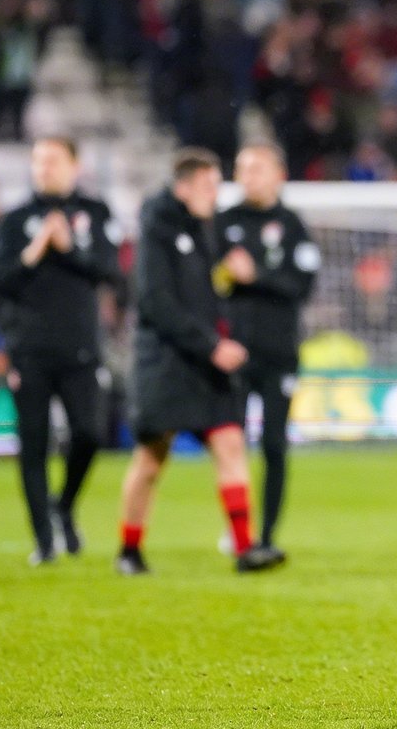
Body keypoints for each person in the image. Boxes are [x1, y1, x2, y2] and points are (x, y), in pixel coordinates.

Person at [116, 148, 283, 576]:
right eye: (209, 185)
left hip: (207, 359)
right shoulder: (156, 227)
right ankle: (129, 551)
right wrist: (211, 345)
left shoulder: (209, 229)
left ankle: (245, 549)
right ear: (184, 186)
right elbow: (155, 303)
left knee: (229, 443)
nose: (216, 193)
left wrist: (233, 277)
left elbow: (206, 290)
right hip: (166, 359)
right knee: (152, 458)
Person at [0, 137, 122, 565]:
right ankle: (44, 540)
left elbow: (112, 271)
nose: (44, 168)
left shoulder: (96, 214)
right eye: (38, 161)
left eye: (53, 160)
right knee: (33, 444)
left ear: (74, 165)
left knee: (90, 434)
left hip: (81, 347)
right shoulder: (14, 220)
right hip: (29, 350)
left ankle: (63, 506)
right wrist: (33, 252)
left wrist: (70, 249)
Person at [215, 143, 319, 560]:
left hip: (279, 353)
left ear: (278, 173)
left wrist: (255, 275)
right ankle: (237, 528)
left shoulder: (293, 226)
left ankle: (269, 533)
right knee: (231, 445)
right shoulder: (222, 224)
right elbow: (207, 283)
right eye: (242, 169)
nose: (248, 176)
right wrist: (226, 274)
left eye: (257, 168)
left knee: (274, 445)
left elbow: (303, 286)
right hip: (232, 352)